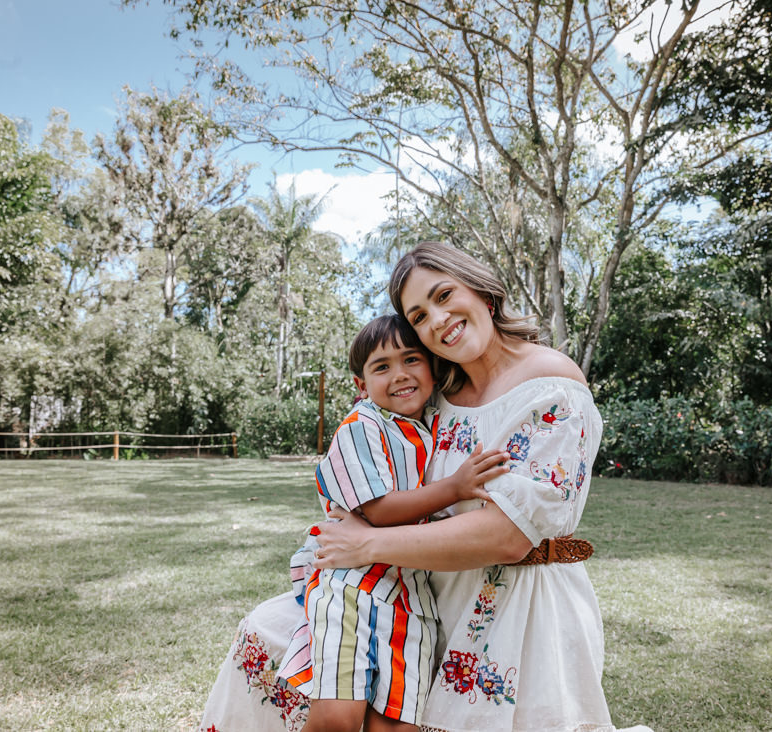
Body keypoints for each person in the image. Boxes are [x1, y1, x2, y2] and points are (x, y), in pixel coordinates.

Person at [311, 241, 653, 732]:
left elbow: (507, 536)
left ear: (483, 292)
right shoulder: (435, 397)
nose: (438, 319)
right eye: (420, 316)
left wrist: (366, 542)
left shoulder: (552, 383)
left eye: (445, 294)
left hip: (520, 618)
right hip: (428, 605)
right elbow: (380, 467)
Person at [197, 314, 509, 732]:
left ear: (432, 370)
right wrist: (455, 487)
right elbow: (377, 510)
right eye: (382, 367)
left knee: (398, 725)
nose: (399, 374)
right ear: (362, 386)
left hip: (413, 596)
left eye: (411, 360)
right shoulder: (361, 427)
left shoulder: (435, 424)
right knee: (337, 718)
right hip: (352, 588)